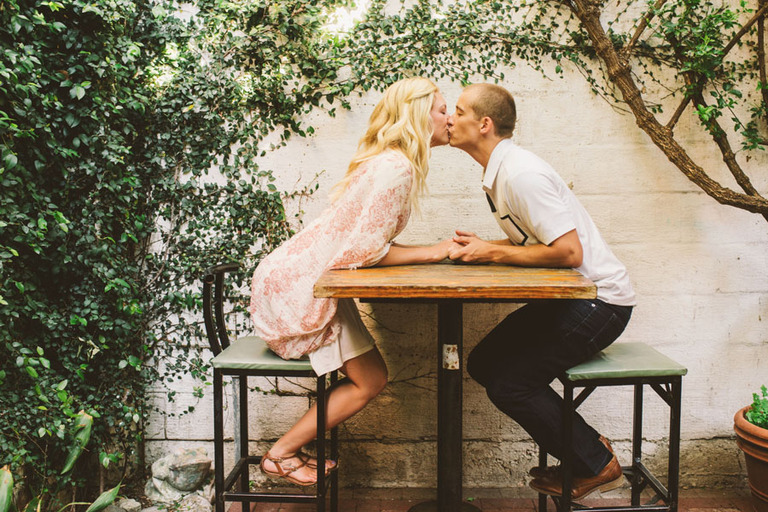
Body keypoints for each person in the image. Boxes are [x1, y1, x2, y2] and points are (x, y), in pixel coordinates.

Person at [249, 77, 457, 486]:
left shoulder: (389, 161)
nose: (448, 118)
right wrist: (435, 250)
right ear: (418, 116)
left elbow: (363, 244)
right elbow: (365, 251)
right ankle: (280, 454)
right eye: (441, 110)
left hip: (302, 279)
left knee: (372, 377)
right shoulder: (396, 169)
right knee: (372, 379)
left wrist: (430, 249)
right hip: (302, 291)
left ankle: (286, 450)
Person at [445, 83, 636, 500]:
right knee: (484, 362)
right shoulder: (500, 171)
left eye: (457, 112)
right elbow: (536, 243)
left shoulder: (520, 173)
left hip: (598, 302)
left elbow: (568, 251)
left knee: (511, 384)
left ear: (484, 124)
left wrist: (492, 254)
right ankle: (588, 448)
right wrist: (486, 246)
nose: (448, 119)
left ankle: (596, 464)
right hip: (572, 298)